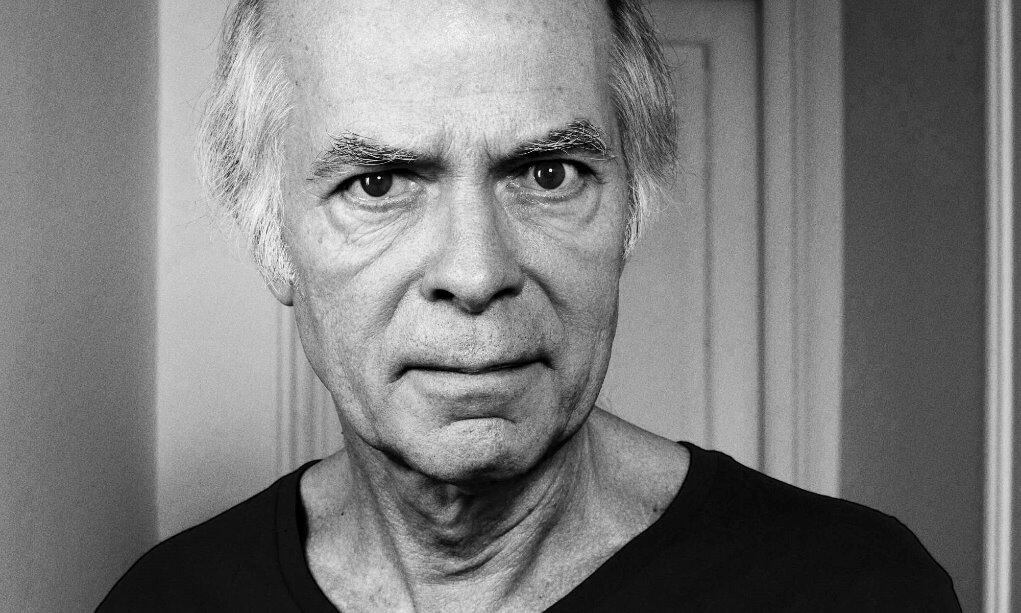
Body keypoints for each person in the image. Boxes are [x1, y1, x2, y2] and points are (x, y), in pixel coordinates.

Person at [101, 0, 961, 610]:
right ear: (272, 240)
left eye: (547, 174)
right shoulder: (165, 600)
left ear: (628, 214)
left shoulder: (856, 588)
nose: (477, 273)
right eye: (380, 182)